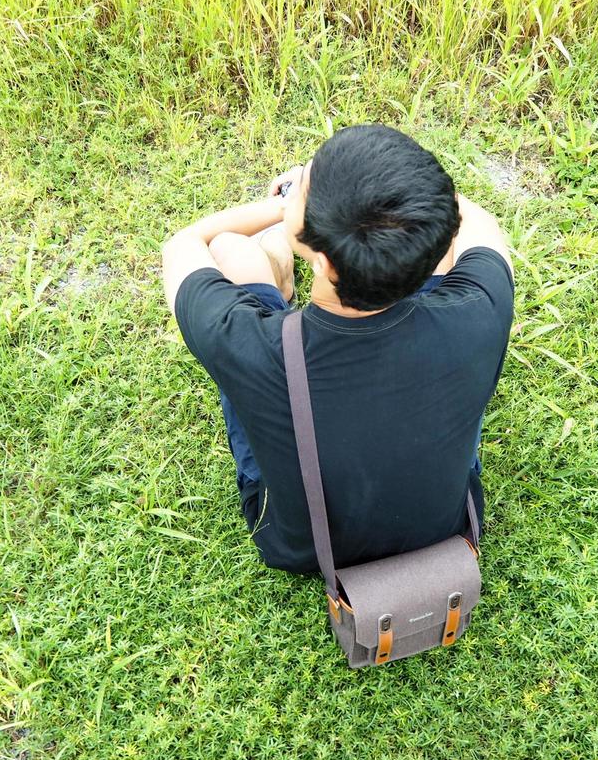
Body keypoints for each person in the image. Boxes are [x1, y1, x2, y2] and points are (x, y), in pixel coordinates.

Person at [162, 124, 514, 573]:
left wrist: (281, 205)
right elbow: (478, 223)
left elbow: (186, 244)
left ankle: (281, 276)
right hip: (442, 528)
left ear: (324, 261)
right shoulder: (480, 309)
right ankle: (317, 255)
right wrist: (403, 208)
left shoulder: (249, 344)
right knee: (448, 258)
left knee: (234, 251)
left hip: (306, 548)